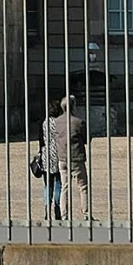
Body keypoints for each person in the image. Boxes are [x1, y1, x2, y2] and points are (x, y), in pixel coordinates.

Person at [47, 93, 89, 221]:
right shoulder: (79, 122)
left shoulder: (57, 122)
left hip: (62, 157)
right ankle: (86, 213)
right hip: (76, 157)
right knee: (82, 186)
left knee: (65, 186)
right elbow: (86, 139)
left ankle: (64, 215)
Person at [36, 102, 64, 222]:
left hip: (46, 155)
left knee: (48, 185)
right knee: (58, 182)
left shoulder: (44, 123)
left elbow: (41, 140)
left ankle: (47, 208)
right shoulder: (60, 123)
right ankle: (57, 208)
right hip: (58, 154)